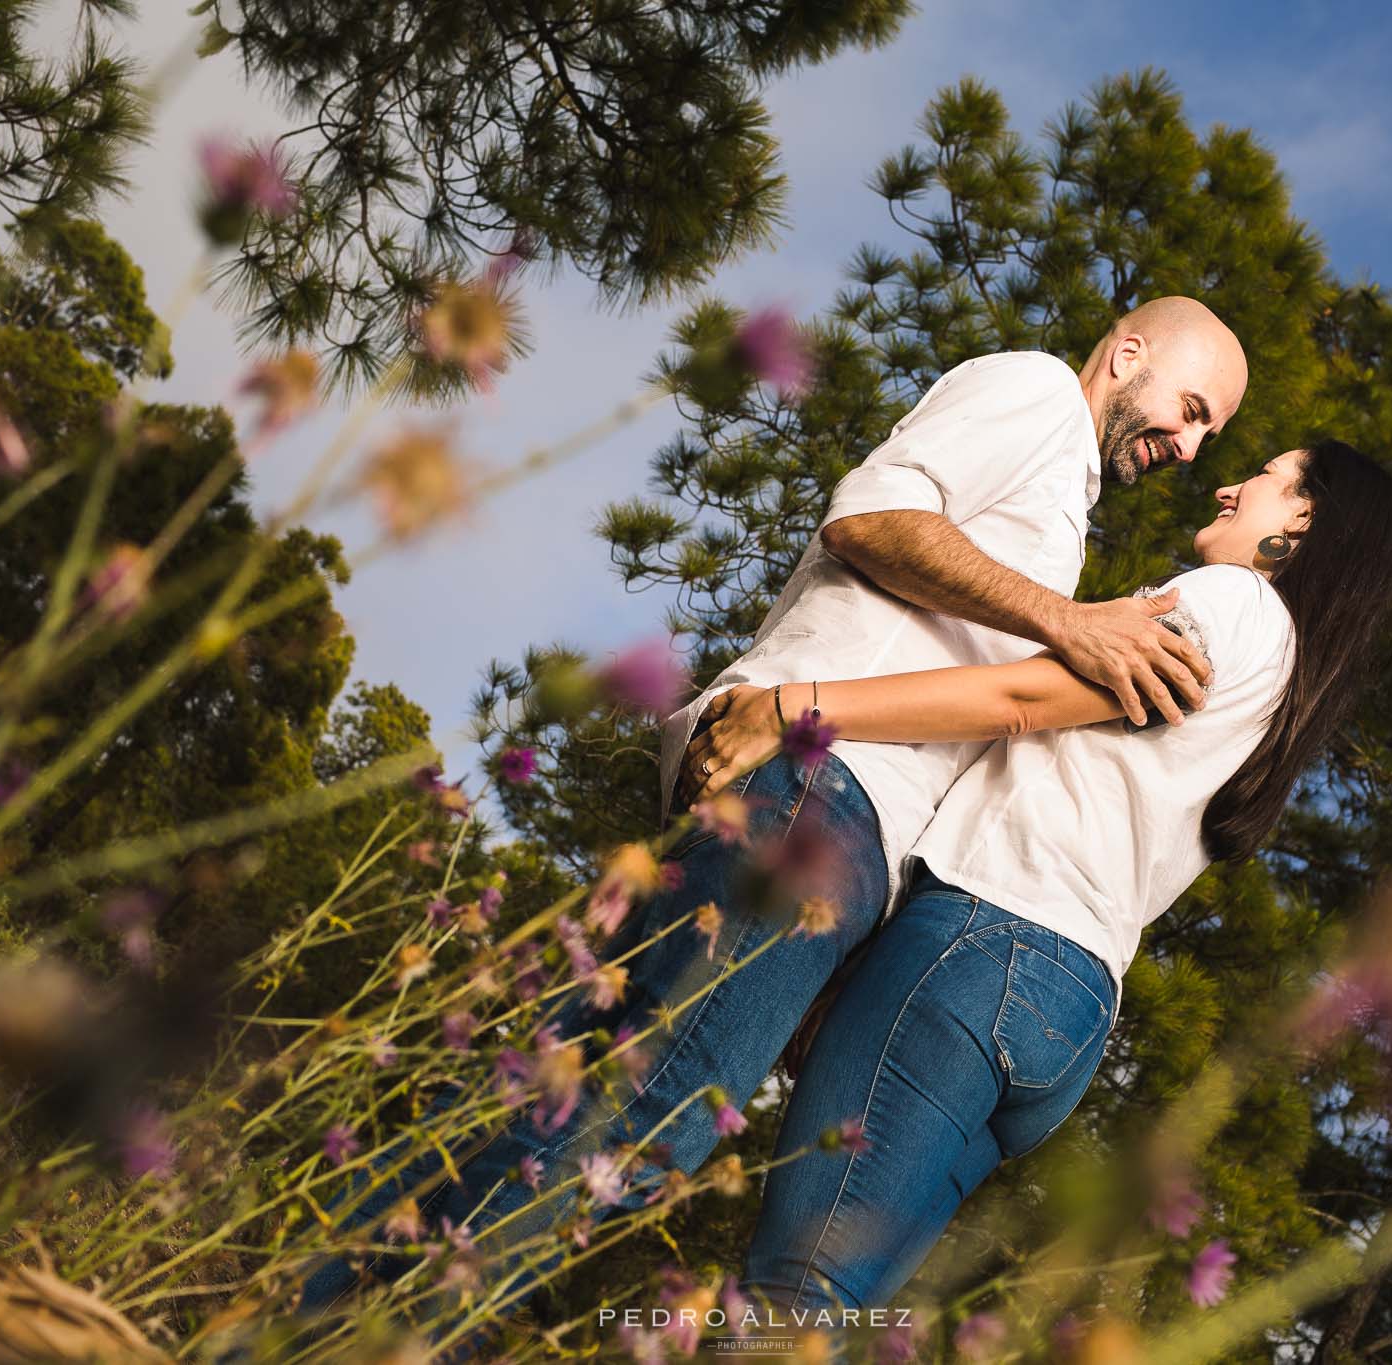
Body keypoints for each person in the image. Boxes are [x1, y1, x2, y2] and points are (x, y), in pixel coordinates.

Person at [298, 297, 1249, 1313]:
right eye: (1189, 409)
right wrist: (1065, 623)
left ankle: (321, 1320)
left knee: (588, 1090)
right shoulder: (1032, 395)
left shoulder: (1058, 494)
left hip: (833, 816)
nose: (1188, 446)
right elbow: (868, 522)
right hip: (811, 791)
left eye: (1207, 433)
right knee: (642, 1116)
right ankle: (369, 1331)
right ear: (1128, 351)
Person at [678, 440, 1392, 1313]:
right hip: (1069, 1018)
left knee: (791, 1299)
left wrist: (794, 708)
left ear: (1303, 517)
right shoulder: (1285, 682)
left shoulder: (1235, 602)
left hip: (986, 946)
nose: (1227, 484)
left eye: (1261, 475)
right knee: (825, 1310)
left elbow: (1019, 700)